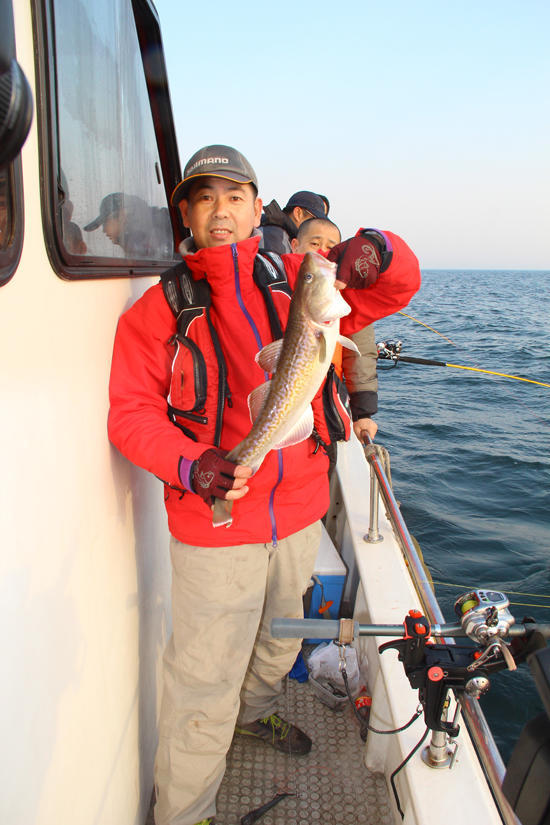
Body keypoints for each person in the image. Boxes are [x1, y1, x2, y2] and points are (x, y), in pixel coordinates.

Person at [108, 144, 421, 825]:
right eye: (204, 199)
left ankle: (256, 716)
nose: (220, 211)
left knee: (280, 640)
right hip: (215, 524)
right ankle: (187, 812)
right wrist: (194, 464)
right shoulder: (158, 310)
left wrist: (381, 253)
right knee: (202, 685)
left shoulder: (297, 284)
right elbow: (130, 413)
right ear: (186, 214)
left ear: (258, 207)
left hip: (301, 512)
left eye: (234, 196)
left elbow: (395, 289)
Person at [292, 217, 379, 441]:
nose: (323, 251)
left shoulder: (346, 296)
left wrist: (363, 412)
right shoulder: (273, 284)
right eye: (314, 243)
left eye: (331, 247)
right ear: (294, 245)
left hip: (329, 410)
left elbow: (361, 354)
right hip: (289, 399)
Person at [84, 191, 172, 257]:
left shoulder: (148, 240)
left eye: (105, 223)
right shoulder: (137, 241)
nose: (104, 230)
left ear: (123, 215)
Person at [260, 189, 328, 254]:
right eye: (314, 220)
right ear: (298, 213)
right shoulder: (275, 236)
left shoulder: (286, 235)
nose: (316, 226)